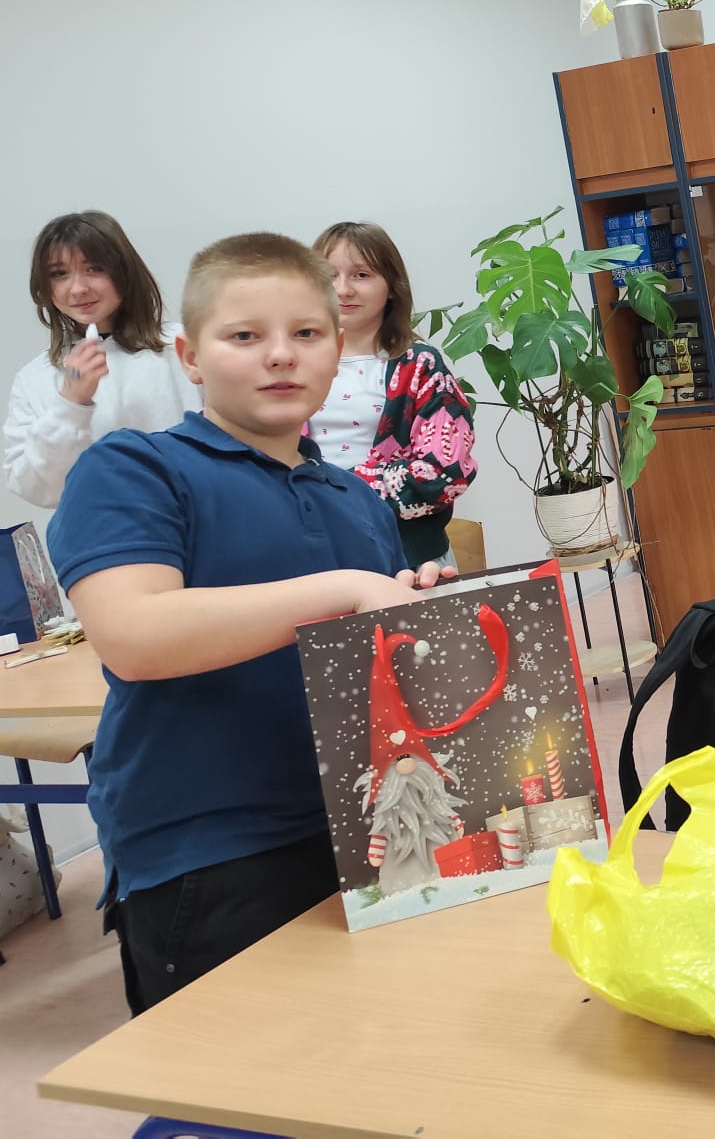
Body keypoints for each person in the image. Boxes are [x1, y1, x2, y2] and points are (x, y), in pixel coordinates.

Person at [47, 233, 454, 1014]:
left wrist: (413, 606)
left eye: (306, 333)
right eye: (244, 335)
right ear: (190, 358)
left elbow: (373, 665)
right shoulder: (135, 468)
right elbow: (134, 637)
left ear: (337, 349)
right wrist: (346, 589)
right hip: (209, 853)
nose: (280, 355)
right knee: (247, 1074)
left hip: (367, 830)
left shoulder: (357, 500)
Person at [310, 222, 476, 570]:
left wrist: (330, 492)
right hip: (313, 555)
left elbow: (446, 473)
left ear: (391, 287)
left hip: (409, 556)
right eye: (329, 275)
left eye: (361, 275)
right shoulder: (291, 363)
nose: (343, 289)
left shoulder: (419, 364)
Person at [4, 212, 196, 509]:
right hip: (98, 531)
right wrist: (71, 404)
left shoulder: (184, 346)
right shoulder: (35, 378)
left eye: (94, 268)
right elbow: (36, 488)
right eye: (59, 273)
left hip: (197, 521)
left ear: (124, 272)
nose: (78, 289)